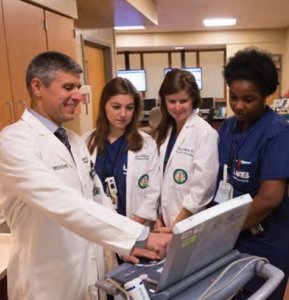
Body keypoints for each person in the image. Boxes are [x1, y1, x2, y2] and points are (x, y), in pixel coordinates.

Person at [0, 51, 171, 300]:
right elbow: (60, 200)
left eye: (78, 87)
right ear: (37, 87)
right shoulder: (13, 142)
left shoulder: (74, 141)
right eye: (68, 87)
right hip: (48, 282)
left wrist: (122, 243)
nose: (78, 96)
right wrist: (138, 236)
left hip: (91, 273)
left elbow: (97, 198)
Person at [217, 47, 289, 299]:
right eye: (233, 96)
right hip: (230, 237)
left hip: (263, 240)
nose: (239, 105)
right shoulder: (227, 128)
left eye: (249, 99)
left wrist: (221, 231)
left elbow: (270, 198)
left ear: (267, 96)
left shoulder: (277, 133)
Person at [86, 77, 159, 226]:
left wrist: (131, 228)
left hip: (135, 226)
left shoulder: (147, 144)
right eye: (116, 106)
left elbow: (153, 192)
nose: (123, 114)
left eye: (129, 107)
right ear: (104, 106)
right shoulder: (86, 142)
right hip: (98, 227)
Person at [153, 68, 219, 230]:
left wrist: (176, 225)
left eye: (183, 101)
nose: (177, 107)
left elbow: (202, 189)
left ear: (193, 100)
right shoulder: (166, 130)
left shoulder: (204, 133)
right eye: (171, 101)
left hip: (188, 223)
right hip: (164, 220)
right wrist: (157, 216)